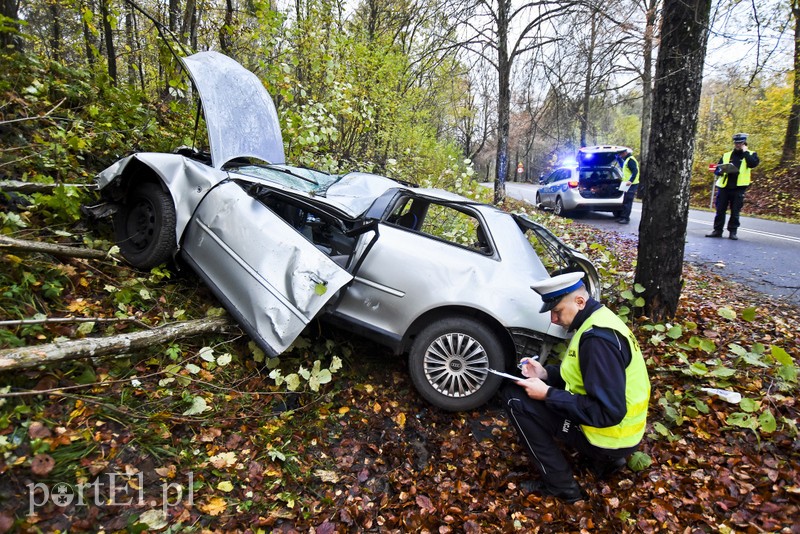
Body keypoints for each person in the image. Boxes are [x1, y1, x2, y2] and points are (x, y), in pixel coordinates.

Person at [498, 271, 650, 503]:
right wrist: (545, 373)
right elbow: (584, 375)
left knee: (514, 398)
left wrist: (548, 394)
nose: (553, 319)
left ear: (579, 302)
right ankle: (607, 461)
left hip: (609, 436)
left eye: (557, 311)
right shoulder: (599, 320)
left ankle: (563, 488)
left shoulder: (597, 341)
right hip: (621, 434)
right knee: (525, 391)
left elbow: (607, 411)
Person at [705, 133, 760, 240]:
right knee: (720, 210)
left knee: (735, 211)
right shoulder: (727, 155)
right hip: (724, 186)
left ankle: (732, 232)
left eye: (740, 143)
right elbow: (717, 169)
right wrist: (720, 171)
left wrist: (745, 152)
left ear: (744, 143)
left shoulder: (751, 154)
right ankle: (717, 230)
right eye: (736, 143)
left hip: (739, 188)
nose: (738, 145)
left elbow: (752, 164)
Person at [616, 148, 639, 224]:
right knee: (625, 201)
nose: (620, 156)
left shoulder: (631, 160)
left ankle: (625, 218)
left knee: (628, 201)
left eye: (621, 154)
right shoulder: (627, 160)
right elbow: (623, 167)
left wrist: (630, 181)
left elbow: (635, 171)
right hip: (627, 184)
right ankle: (623, 217)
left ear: (625, 153)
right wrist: (618, 159)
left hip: (631, 184)